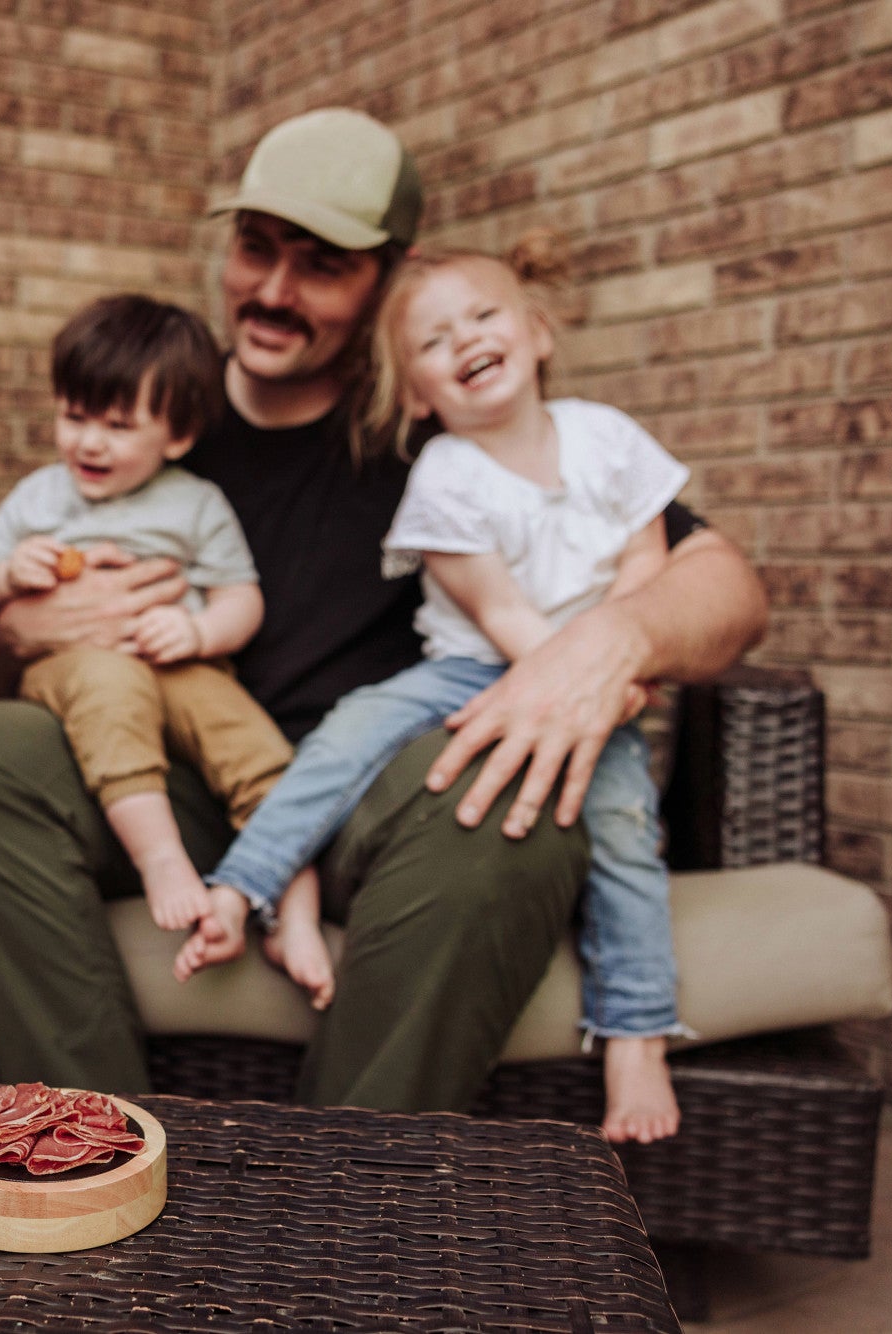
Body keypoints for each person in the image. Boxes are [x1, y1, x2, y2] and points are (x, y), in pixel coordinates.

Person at [0, 107, 767, 1111]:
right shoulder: (152, 414)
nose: (271, 292)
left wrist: (608, 640)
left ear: (382, 283)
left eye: (319, 265)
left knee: (506, 788)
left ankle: (341, 1198)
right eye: (254, 248)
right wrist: (16, 626)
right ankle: (93, 1154)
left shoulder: (448, 425)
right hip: (172, 776)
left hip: (381, 792)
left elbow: (728, 591)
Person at [183, 232, 691, 1142]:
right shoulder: (444, 475)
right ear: (416, 391)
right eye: (433, 341)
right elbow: (499, 616)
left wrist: (611, 671)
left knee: (624, 827)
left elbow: (651, 560)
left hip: (597, 679)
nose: (465, 342)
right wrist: (582, 677)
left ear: (537, 333)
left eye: (485, 318)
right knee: (347, 731)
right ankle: (244, 884)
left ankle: (636, 1032)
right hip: (470, 668)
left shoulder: (606, 438)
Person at [0, 295, 296, 938]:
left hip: (179, 661)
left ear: (176, 436)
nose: (88, 441)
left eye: (117, 426)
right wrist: (8, 576)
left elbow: (241, 597)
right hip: (71, 667)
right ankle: (161, 856)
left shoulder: (197, 505)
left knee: (246, 737)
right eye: (74, 416)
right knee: (110, 690)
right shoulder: (38, 496)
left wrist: (198, 632)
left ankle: (293, 897)